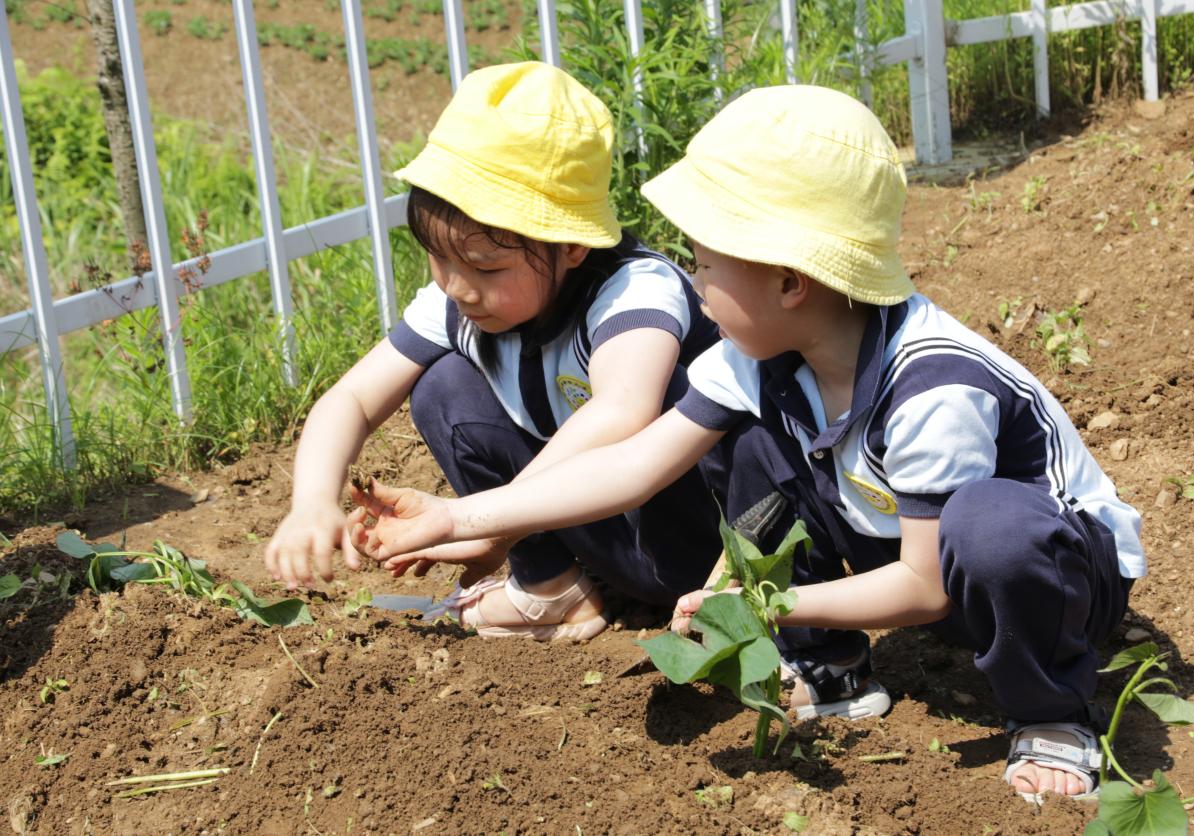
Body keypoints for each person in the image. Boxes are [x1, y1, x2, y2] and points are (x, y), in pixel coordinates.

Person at [350, 85, 1146, 803]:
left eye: (704, 266)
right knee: (760, 453)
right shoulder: (754, 359)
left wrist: (771, 601)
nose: (694, 287)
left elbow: (929, 586)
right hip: (904, 548)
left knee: (991, 528)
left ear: (789, 282)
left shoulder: (935, 389)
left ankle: (1051, 715)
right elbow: (632, 467)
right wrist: (461, 519)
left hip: (1047, 578)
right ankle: (828, 667)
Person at [264, 61, 723, 640]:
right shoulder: (457, 302)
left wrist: (485, 525)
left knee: (672, 393)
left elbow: (623, 413)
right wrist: (311, 501)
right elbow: (352, 397)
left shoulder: (634, 290)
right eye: (439, 257)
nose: (457, 286)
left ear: (574, 244)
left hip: (700, 554)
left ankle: (690, 604)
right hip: (600, 536)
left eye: (486, 266)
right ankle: (551, 589)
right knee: (443, 385)